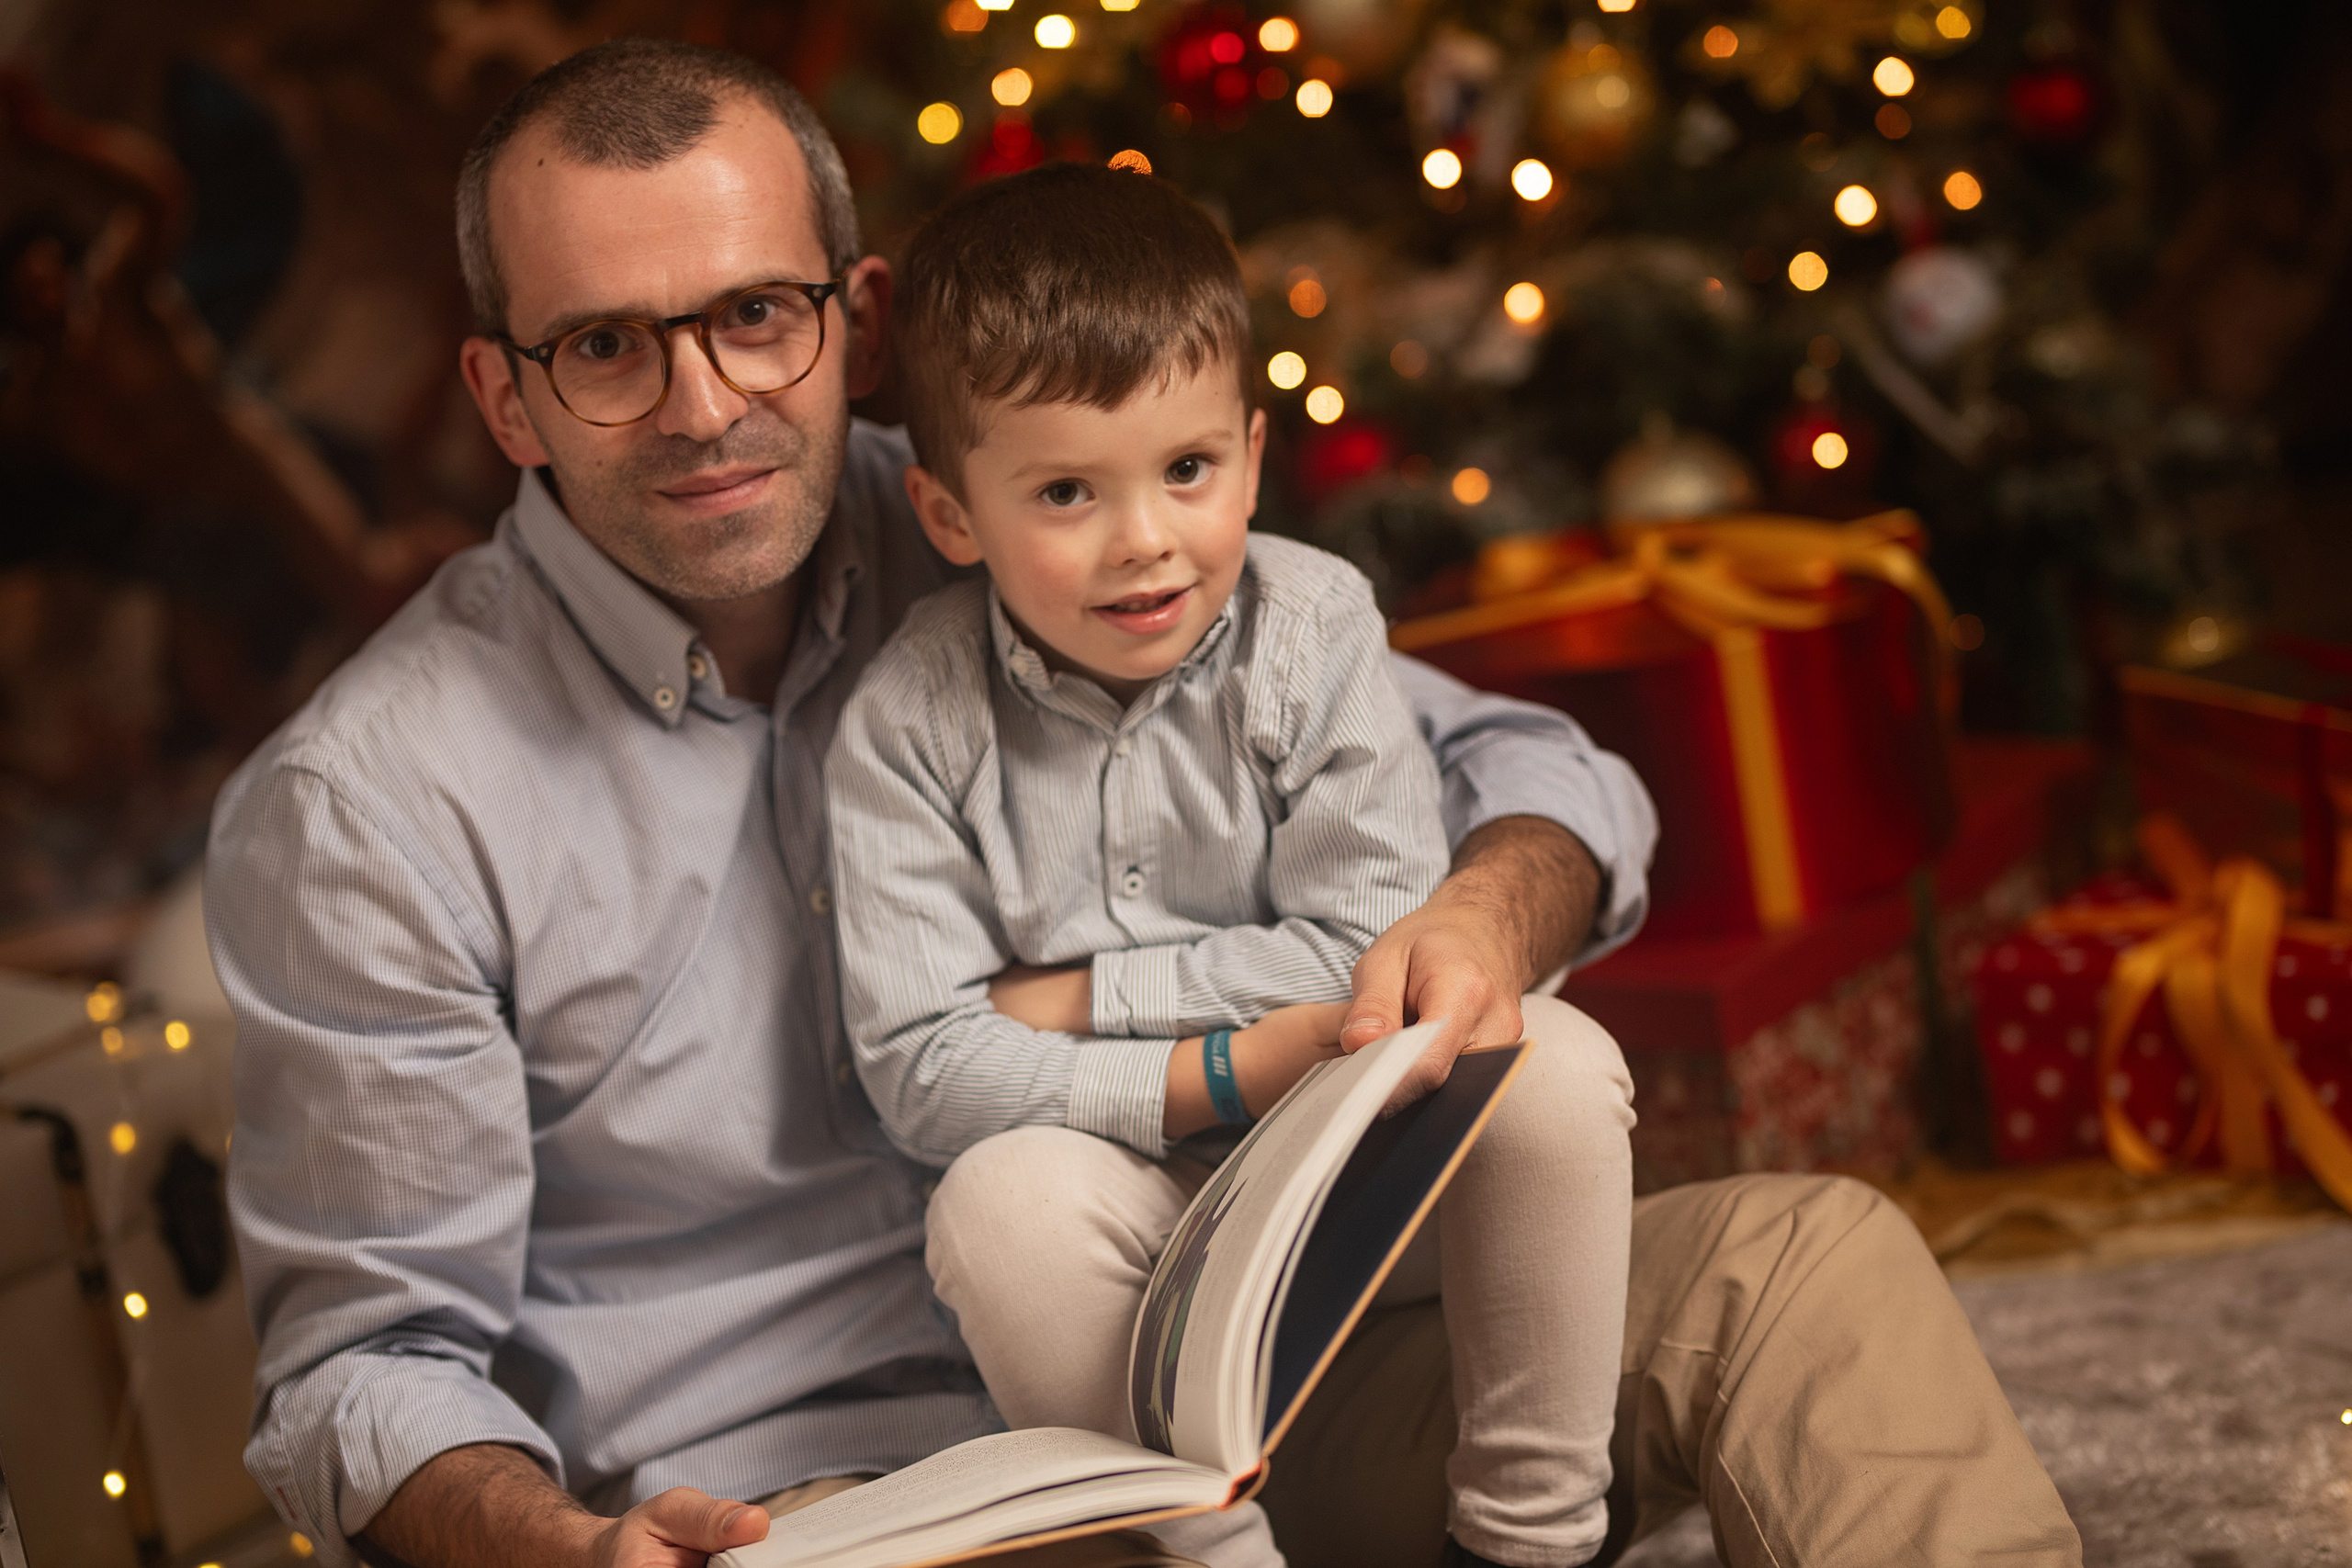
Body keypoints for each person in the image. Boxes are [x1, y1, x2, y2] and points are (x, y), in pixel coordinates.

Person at [204, 38, 2081, 1568]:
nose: (701, 404)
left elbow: (1527, 772)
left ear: (850, 312)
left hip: (1240, 1358)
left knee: (1801, 1268)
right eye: (605, 346)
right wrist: (561, 1542)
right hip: (851, 1510)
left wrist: (1480, 914)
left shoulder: (1045, 501)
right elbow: (363, 1366)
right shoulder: (369, 801)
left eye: (754, 315)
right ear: (503, 395)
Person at [823, 162, 1634, 1568]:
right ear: (952, 517)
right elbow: (922, 1070)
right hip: (1135, 1207)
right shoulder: (907, 725)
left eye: (1189, 472)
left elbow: (1365, 947)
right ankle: (1209, 1549)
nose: (1147, 542)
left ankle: (1533, 1536)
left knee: (1554, 1062)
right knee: (995, 1204)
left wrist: (1074, 996)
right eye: (1067, 490)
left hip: (1366, 1133)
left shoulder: (1312, 626)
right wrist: (1214, 1071)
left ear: (1254, 455)